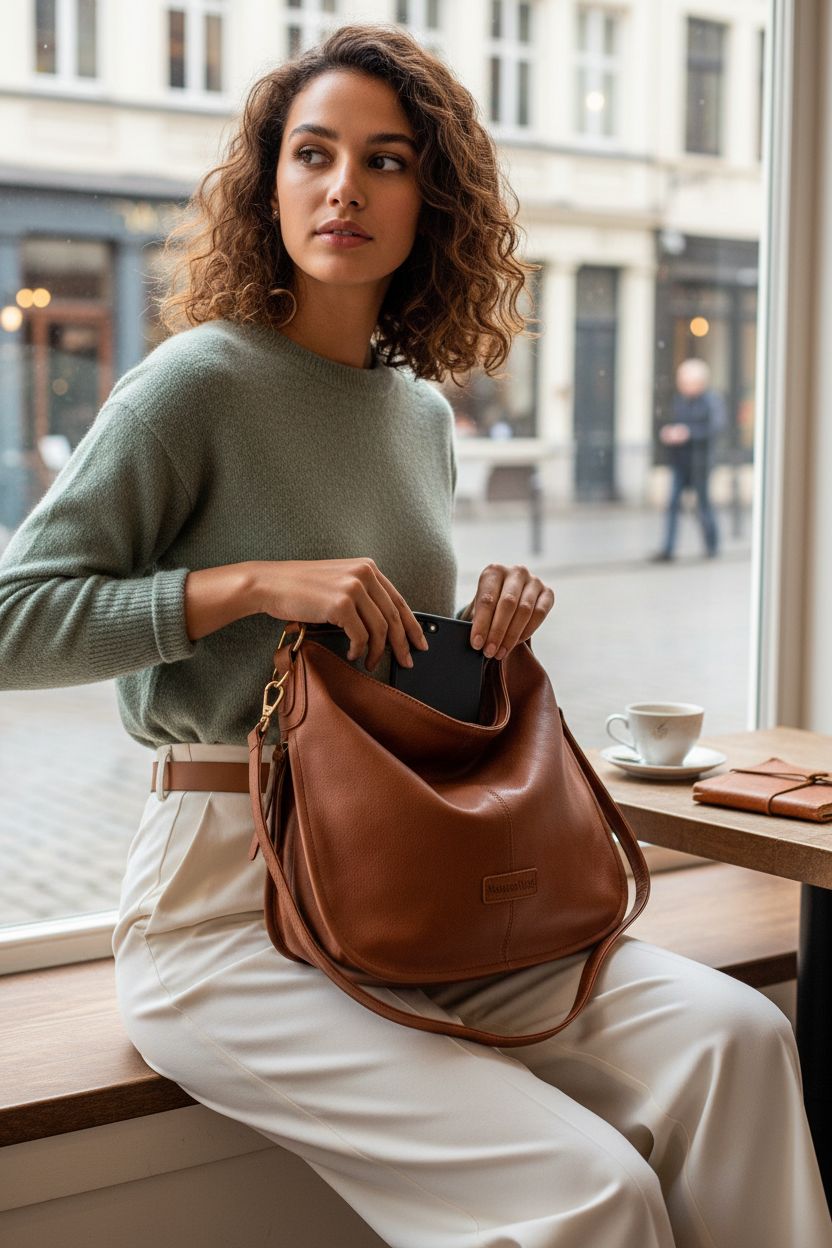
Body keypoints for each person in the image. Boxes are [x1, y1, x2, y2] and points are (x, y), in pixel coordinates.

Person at [0, 24, 830, 1248]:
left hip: (419, 880)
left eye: (385, 161)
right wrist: (245, 587)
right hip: (223, 918)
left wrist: (485, 639)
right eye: (312, 153)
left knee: (742, 1040)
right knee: (586, 1188)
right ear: (268, 182)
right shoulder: (196, 384)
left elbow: (388, 676)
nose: (345, 188)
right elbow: (15, 622)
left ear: (428, 197)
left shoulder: (418, 415)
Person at [650, 357, 726, 562]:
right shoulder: (679, 401)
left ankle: (712, 544)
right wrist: (669, 433)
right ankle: (668, 548)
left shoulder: (711, 401)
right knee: (672, 504)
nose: (682, 385)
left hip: (700, 462)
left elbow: (715, 428)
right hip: (680, 461)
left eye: (686, 381)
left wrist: (688, 433)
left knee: (703, 505)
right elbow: (669, 421)